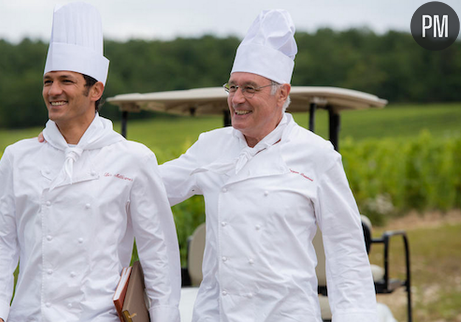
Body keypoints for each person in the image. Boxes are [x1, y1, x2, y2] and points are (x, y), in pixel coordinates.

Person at [159, 10, 379, 322]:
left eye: (250, 88)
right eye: (232, 87)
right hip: (217, 315)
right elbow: (151, 188)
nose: (236, 98)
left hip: (288, 315)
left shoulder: (316, 155)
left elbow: (346, 246)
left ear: (282, 94)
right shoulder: (210, 147)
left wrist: (356, 317)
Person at [0, 3, 181, 322]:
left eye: (66, 81)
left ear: (95, 89)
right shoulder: (18, 157)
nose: (53, 91)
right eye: (48, 81)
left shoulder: (133, 159)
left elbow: (158, 251)